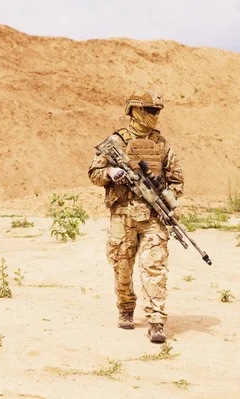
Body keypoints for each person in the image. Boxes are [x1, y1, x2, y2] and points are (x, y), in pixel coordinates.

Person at [87, 89, 184, 343]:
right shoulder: (116, 142)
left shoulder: (162, 145)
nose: (154, 115)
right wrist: (111, 173)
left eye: (157, 111)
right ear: (135, 110)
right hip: (122, 215)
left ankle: (155, 320)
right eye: (150, 110)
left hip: (153, 216)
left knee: (155, 267)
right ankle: (126, 308)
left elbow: (176, 180)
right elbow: (94, 173)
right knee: (122, 266)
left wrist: (168, 198)